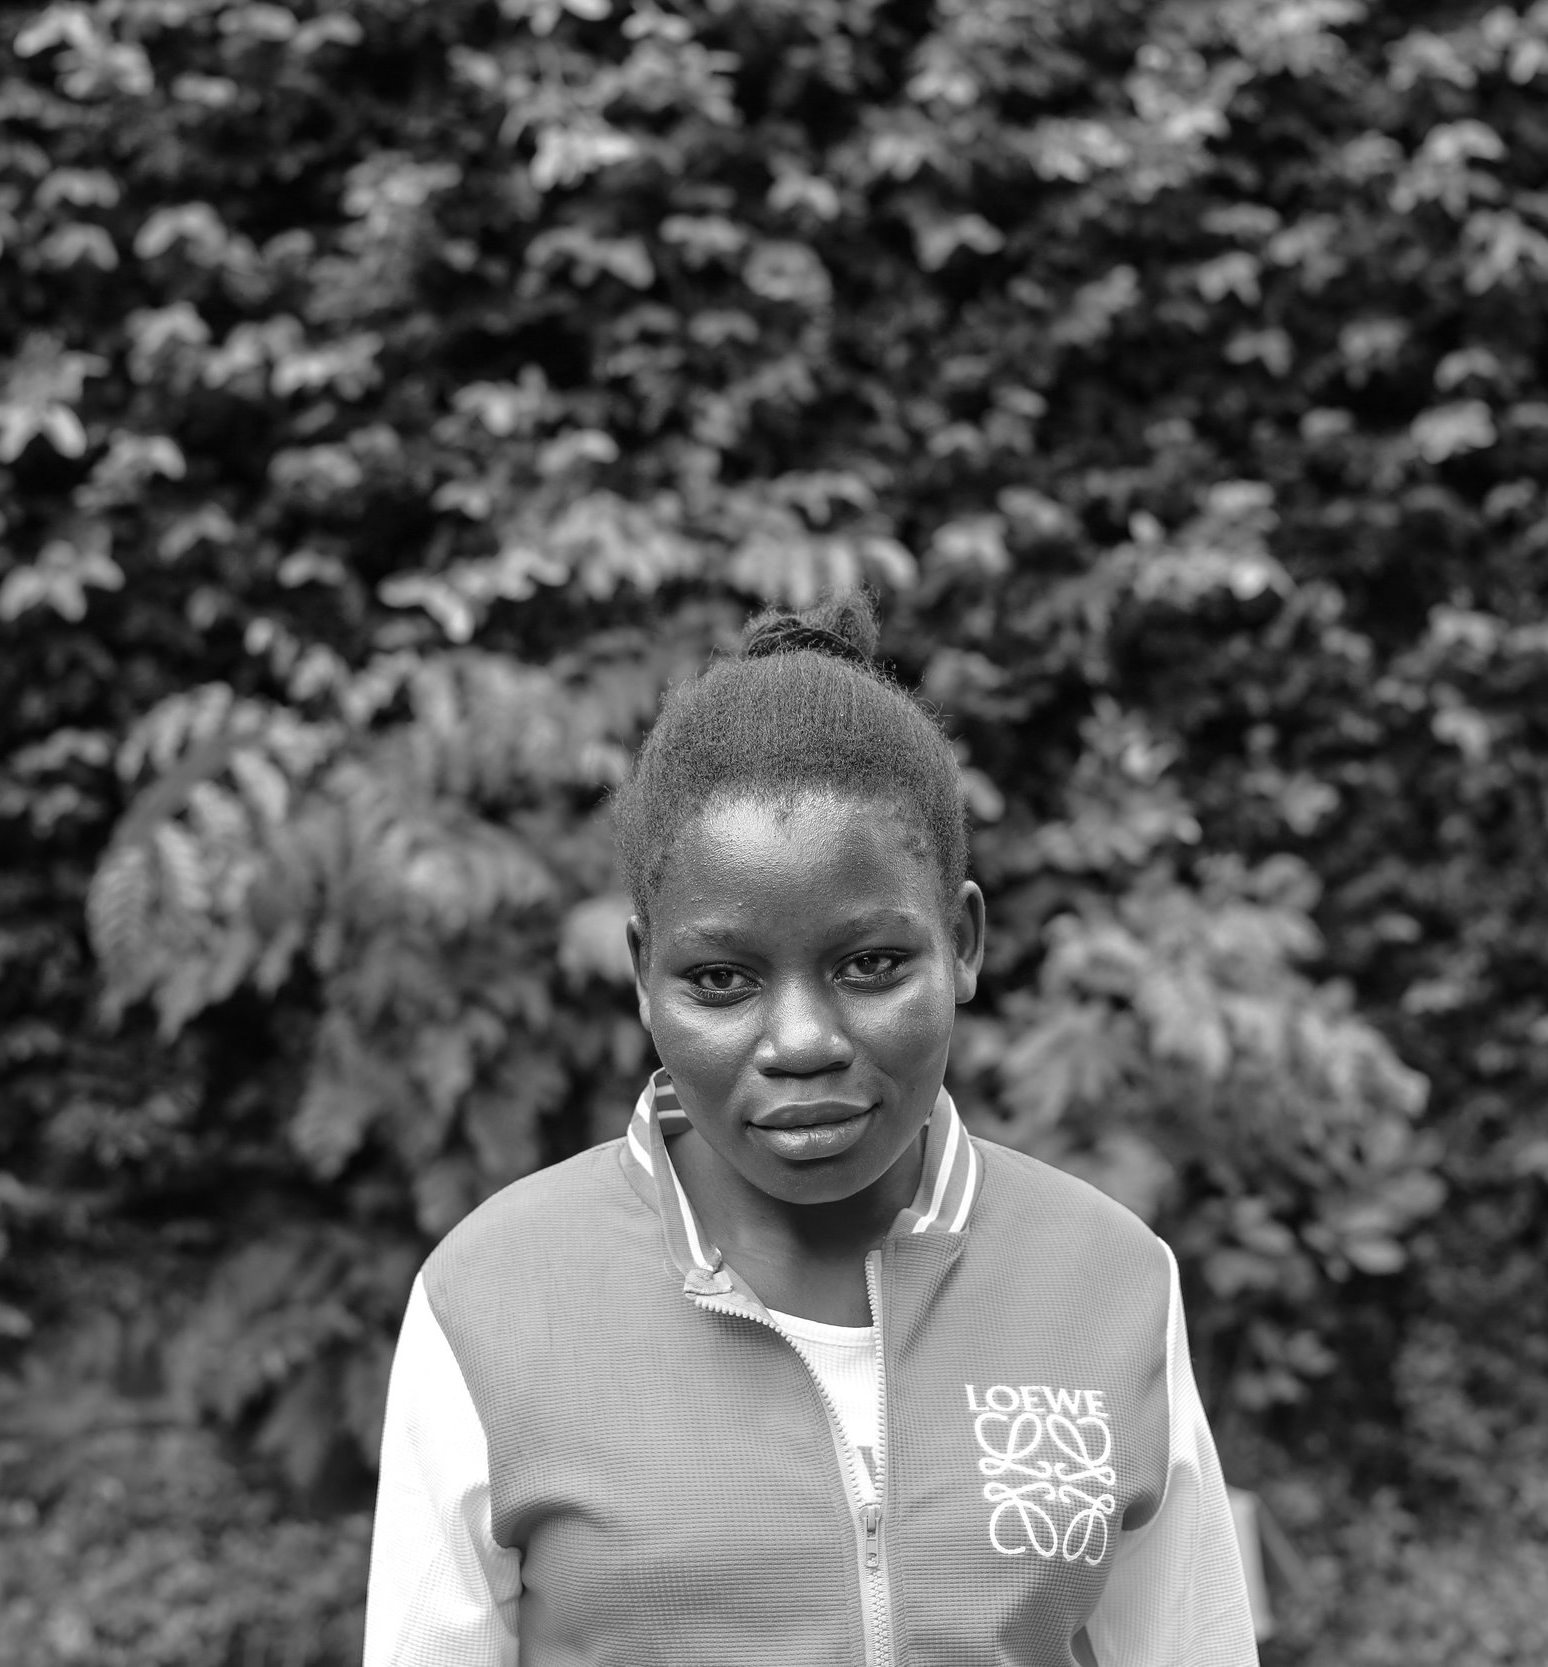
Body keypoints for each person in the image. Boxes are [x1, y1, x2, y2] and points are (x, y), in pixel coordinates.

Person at [363, 594, 1262, 1667]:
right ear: (644, 978)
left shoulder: (1109, 1276)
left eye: (870, 963)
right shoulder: (491, 1296)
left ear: (962, 943)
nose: (800, 1040)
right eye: (721, 979)